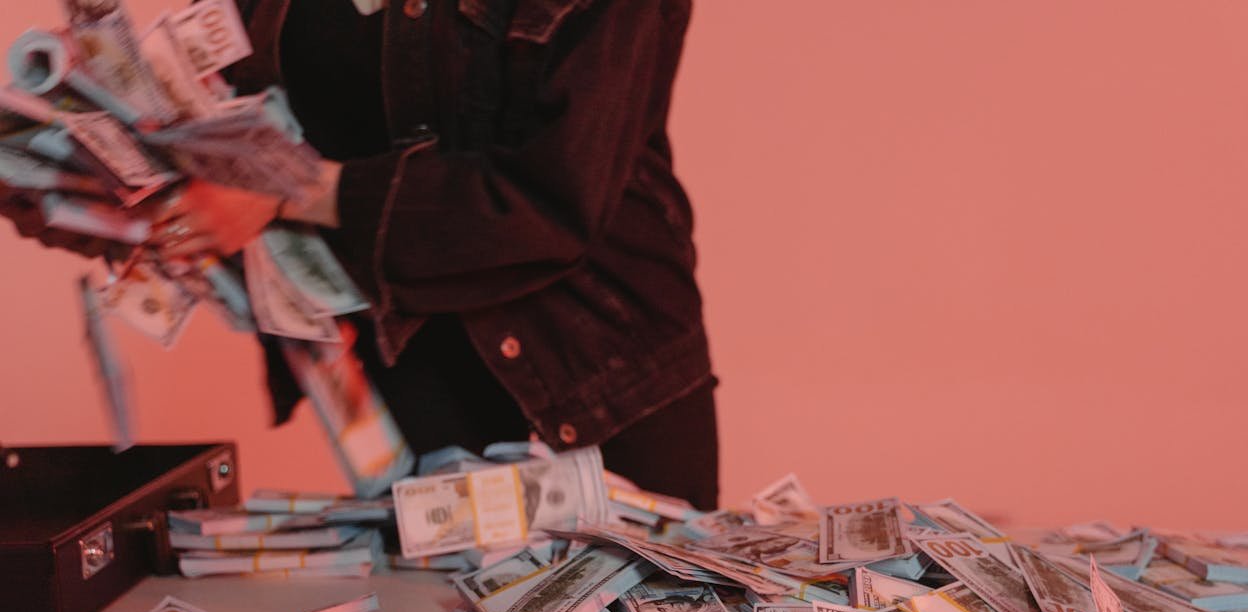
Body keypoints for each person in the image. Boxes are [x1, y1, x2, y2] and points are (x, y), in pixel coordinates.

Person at [2, 0, 719, 509]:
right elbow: (226, 129)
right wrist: (96, 181)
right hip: (403, 374)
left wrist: (285, 190)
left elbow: (552, 200)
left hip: (595, 372)